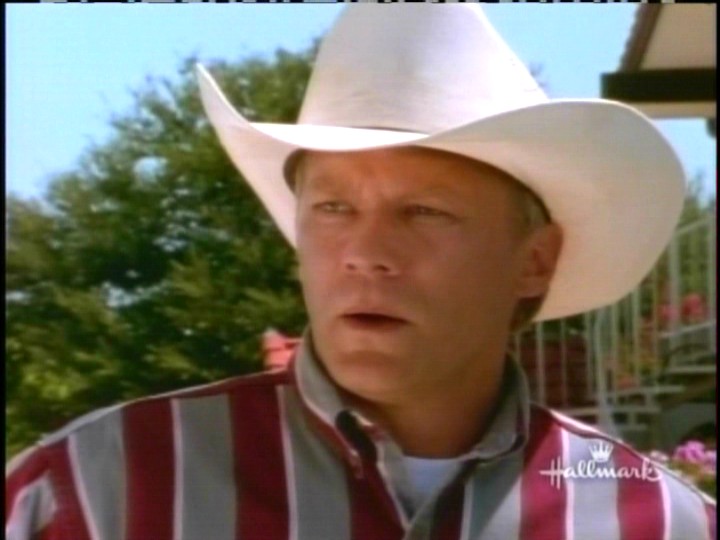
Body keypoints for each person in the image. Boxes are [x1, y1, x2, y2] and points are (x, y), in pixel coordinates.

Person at [6, 5, 716, 540]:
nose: (365, 251)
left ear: (534, 260)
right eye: (333, 208)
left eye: (424, 212)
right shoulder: (97, 490)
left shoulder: (657, 520)